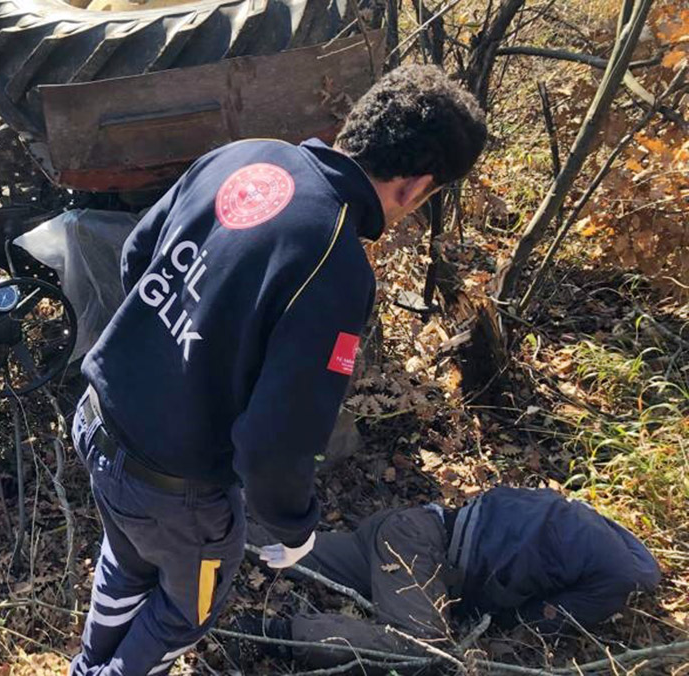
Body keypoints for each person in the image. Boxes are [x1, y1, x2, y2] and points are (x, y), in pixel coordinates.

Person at [68, 64, 487, 675]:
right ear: (417, 186)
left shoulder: (247, 155)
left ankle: (87, 664)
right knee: (184, 613)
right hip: (174, 484)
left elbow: (138, 254)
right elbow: (276, 441)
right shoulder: (335, 265)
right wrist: (293, 528)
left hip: (100, 417)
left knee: (128, 559)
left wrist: (172, 353)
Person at [242, 487, 662, 670]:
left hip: (410, 526)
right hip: (423, 555)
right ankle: (273, 633)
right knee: (422, 649)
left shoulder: (588, 523)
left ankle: (210, 525)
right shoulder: (618, 579)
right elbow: (544, 622)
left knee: (292, 554)